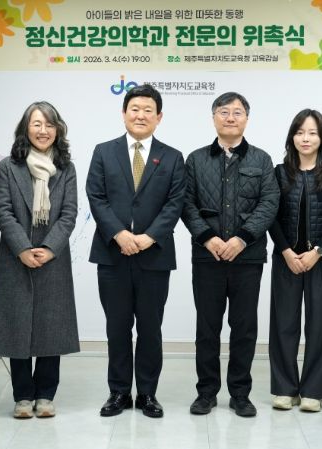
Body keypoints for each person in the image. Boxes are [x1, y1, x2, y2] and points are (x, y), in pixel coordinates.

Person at [86, 84, 185, 418]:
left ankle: (147, 393)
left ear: (159, 117)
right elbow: (96, 196)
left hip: (153, 256)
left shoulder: (172, 157)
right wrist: (119, 234)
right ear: (124, 113)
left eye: (148, 110)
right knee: (117, 327)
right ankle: (118, 392)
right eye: (135, 109)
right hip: (112, 254)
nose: (140, 115)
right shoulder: (104, 151)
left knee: (150, 328)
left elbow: (175, 202)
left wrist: (149, 237)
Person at [181, 92, 279, 417]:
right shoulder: (196, 159)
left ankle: (240, 394)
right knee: (207, 328)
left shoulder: (262, 160)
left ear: (246, 119)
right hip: (207, 257)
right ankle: (206, 392)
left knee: (244, 328)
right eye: (224, 112)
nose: (230, 117)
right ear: (214, 118)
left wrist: (242, 239)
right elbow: (186, 203)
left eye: (238, 112)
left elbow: (269, 203)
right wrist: (207, 238)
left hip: (247, 258)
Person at [0, 101, 79, 419]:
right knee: (17, 325)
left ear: (58, 130)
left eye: (49, 125)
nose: (43, 130)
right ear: (26, 128)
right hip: (16, 257)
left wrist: (50, 247)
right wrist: (22, 248)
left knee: (52, 327)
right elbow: (4, 211)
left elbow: (69, 213)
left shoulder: (66, 168)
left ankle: (46, 395)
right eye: (37, 124)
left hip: (53, 258)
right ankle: (23, 396)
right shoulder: (9, 167)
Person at [268, 109, 322, 413]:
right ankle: (284, 389)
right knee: (284, 325)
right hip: (286, 260)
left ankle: (313, 391)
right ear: (292, 137)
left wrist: (318, 252)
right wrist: (287, 252)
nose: (306, 138)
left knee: (320, 326)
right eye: (300, 132)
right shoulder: (279, 173)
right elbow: (271, 217)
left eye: (312, 133)